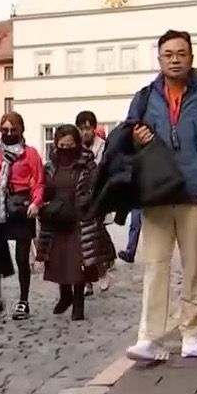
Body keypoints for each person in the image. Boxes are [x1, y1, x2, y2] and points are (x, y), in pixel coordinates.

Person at [124, 29, 197, 361]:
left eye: (181, 54)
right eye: (168, 54)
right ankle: (150, 337)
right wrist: (135, 138)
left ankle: (191, 331)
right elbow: (126, 141)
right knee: (155, 266)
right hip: (157, 194)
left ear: (191, 57)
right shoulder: (144, 97)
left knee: (195, 267)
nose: (175, 60)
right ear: (159, 58)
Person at [37, 125, 115, 321]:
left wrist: (87, 205)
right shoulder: (50, 166)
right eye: (62, 145)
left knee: (78, 263)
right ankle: (65, 295)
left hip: (80, 220)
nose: (65, 149)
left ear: (77, 144)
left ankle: (78, 303)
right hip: (57, 219)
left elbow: (95, 189)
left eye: (69, 145)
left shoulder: (87, 165)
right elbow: (44, 189)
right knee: (58, 261)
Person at [0, 112, 45, 320]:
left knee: (22, 258)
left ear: (21, 130)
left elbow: (39, 182)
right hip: (0, 208)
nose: (8, 134)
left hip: (21, 206)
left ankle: (23, 300)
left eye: (12, 130)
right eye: (5, 130)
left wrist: (36, 202)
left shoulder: (30, 154)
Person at [75, 111, 113, 294]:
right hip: (81, 199)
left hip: (98, 197)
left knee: (98, 237)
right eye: (82, 129)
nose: (85, 132)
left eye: (88, 128)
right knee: (82, 241)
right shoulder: (75, 148)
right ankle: (87, 281)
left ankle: (103, 269)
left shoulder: (103, 147)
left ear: (94, 128)